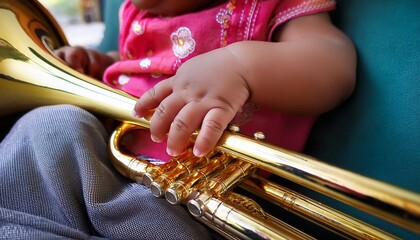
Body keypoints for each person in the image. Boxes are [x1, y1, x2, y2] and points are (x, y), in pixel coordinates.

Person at [0, 0, 356, 239]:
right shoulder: (139, 11)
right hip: (103, 158)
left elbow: (331, 62)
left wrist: (241, 67)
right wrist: (99, 63)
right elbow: (139, 64)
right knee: (49, 126)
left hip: (188, 205)